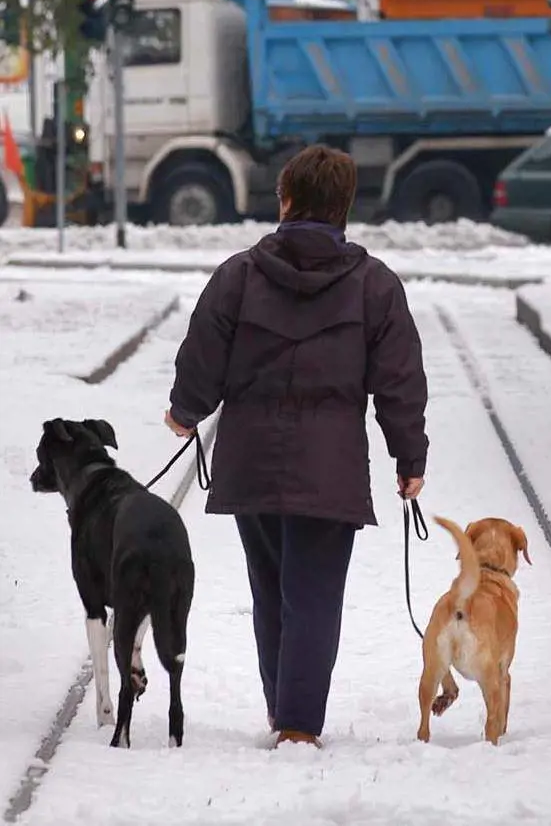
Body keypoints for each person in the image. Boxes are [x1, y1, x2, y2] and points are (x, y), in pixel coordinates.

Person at [165, 144, 428, 748]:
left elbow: (204, 351)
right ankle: (298, 724)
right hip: (328, 468)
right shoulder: (375, 286)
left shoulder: (239, 274)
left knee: (272, 590)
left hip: (251, 460)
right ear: (344, 207)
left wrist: (185, 412)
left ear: (285, 199)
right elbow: (400, 381)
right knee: (313, 596)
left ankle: (282, 709)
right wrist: (409, 459)